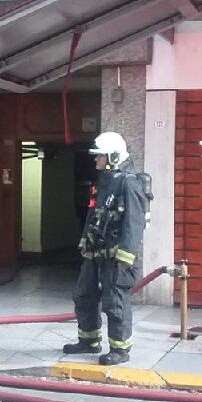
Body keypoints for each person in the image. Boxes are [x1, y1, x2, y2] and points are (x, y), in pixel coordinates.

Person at [62, 132, 146, 366]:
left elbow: (134, 223)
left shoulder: (129, 184)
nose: (95, 160)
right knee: (83, 294)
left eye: (99, 156)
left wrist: (125, 257)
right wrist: (84, 244)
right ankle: (88, 340)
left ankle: (120, 349)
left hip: (118, 256)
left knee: (114, 301)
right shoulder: (103, 184)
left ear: (114, 156)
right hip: (96, 253)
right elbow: (93, 216)